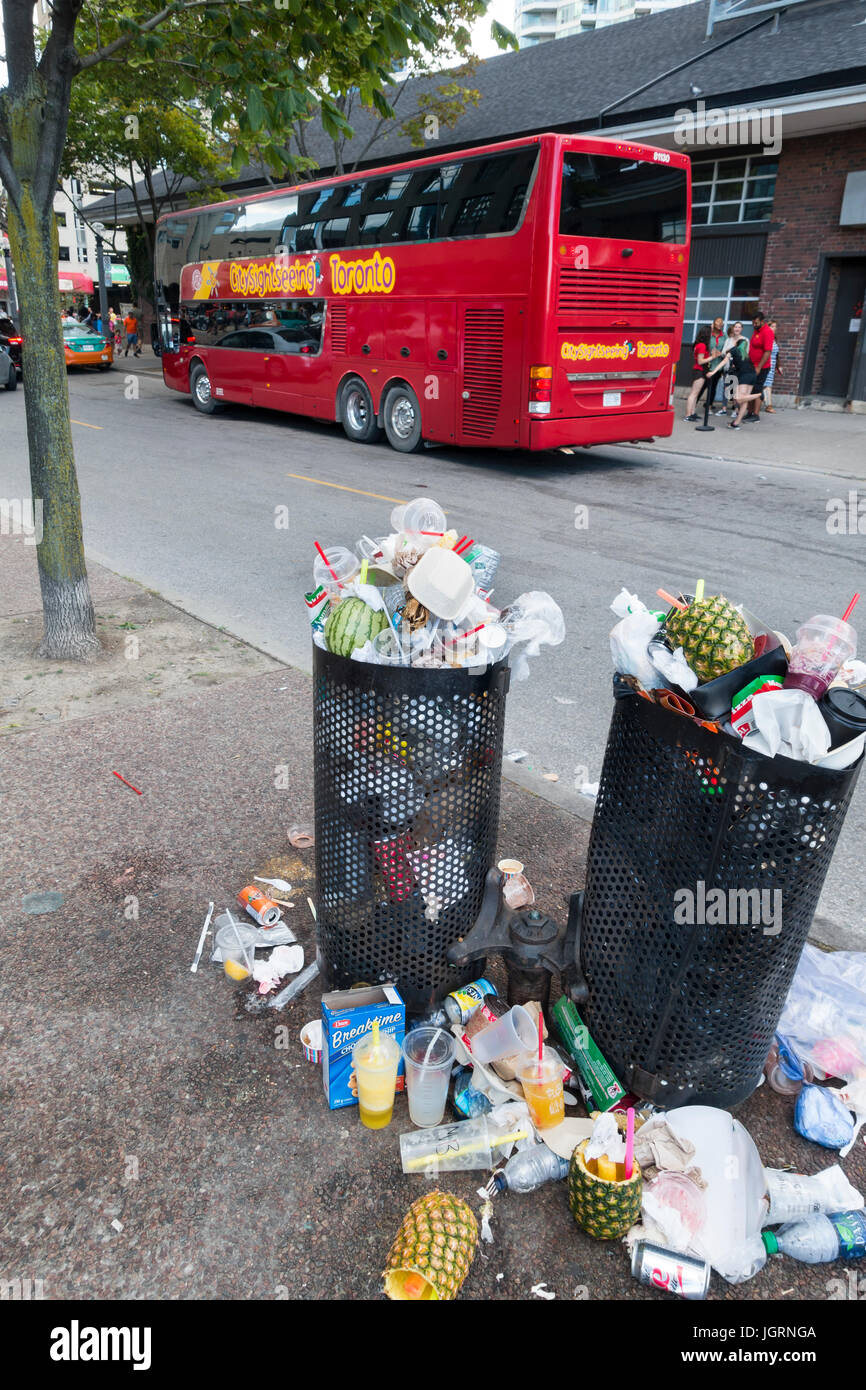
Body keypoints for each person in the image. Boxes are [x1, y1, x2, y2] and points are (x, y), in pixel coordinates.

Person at [745, 310, 775, 420]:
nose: (754, 325)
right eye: (753, 323)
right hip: (751, 365)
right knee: (750, 389)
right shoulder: (756, 330)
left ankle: (756, 415)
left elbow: (767, 352)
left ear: (762, 321)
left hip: (762, 367)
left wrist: (759, 367)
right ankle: (749, 412)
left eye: (756, 323)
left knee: (757, 389)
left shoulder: (767, 332)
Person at [684, 327, 713, 421]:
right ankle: (688, 415)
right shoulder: (702, 346)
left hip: (699, 370)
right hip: (699, 370)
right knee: (694, 393)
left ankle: (692, 413)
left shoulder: (698, 344)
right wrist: (712, 357)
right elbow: (700, 361)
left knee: (695, 394)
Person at [709, 316, 728, 413]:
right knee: (703, 386)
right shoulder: (708, 334)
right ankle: (692, 408)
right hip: (707, 363)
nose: (720, 323)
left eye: (722, 322)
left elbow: (728, 348)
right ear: (713, 323)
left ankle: (709, 405)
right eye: (718, 322)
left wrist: (722, 353)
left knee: (713, 386)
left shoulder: (724, 336)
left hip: (718, 365)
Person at [763, 320, 779, 412]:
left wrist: (778, 365)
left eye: (775, 326)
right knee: (767, 385)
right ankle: (769, 405)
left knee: (767, 384)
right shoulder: (766, 338)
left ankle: (766, 402)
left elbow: (777, 355)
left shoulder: (774, 338)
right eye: (772, 326)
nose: (774, 328)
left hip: (772, 365)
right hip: (766, 363)